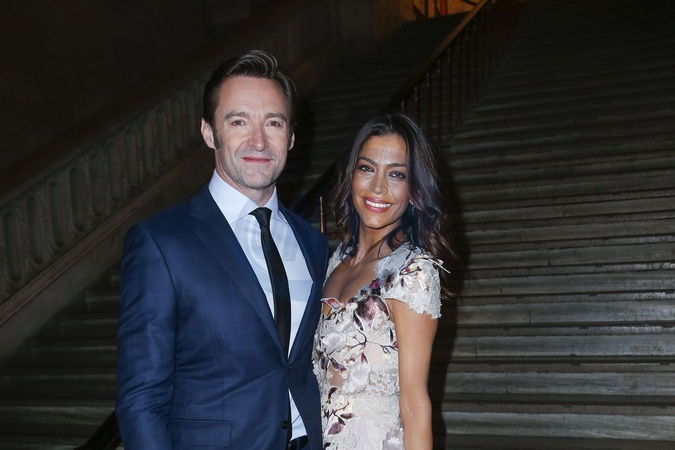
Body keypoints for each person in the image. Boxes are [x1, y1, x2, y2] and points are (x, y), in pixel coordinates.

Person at [116, 50, 329, 450]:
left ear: (291, 137)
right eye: (238, 121)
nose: (258, 141)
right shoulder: (161, 242)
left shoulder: (313, 243)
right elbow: (141, 401)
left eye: (273, 123)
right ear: (209, 132)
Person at [313, 113, 453, 449]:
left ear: (414, 190)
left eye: (396, 174)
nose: (378, 187)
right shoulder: (333, 262)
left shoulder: (413, 273)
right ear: (351, 176)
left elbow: (415, 405)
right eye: (367, 168)